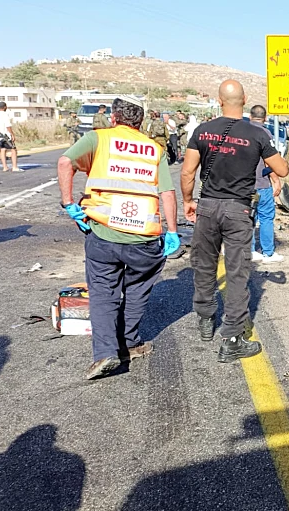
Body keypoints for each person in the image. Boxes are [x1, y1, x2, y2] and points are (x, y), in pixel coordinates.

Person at [57, 96, 181, 380]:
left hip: (103, 233)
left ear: (114, 118)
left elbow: (66, 163)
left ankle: (106, 353)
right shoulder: (154, 148)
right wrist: (172, 231)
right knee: (137, 288)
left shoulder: (98, 139)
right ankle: (129, 343)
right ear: (140, 122)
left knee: (103, 293)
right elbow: (167, 193)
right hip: (144, 239)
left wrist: (69, 203)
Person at [181, 80, 289, 363]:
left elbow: (187, 172)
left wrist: (187, 201)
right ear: (244, 100)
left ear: (219, 100)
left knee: (204, 265)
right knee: (237, 272)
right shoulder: (256, 134)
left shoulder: (202, 132)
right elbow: (283, 169)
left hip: (207, 207)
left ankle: (206, 320)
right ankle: (231, 339)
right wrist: (263, 161)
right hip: (238, 211)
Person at [249, 105, 283, 263]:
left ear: (250, 116)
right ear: (265, 117)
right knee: (266, 217)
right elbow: (271, 162)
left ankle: (249, 250)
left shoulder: (242, 133)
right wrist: (276, 181)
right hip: (262, 184)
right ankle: (268, 252)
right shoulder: (265, 133)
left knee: (247, 218)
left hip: (244, 185)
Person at [0, 101, 22, 172]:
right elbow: (8, 125)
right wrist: (12, 134)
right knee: (13, 150)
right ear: (5, 107)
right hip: (6, 135)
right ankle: (14, 167)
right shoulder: (4, 114)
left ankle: (5, 167)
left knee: (3, 149)